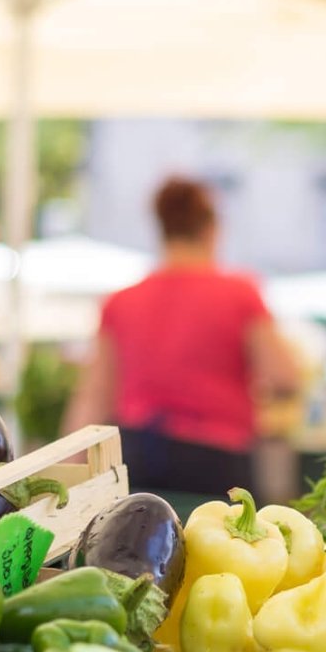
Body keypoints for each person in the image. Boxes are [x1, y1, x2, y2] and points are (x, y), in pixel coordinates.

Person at [65, 176, 299, 495]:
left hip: (138, 455)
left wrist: (70, 474)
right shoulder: (240, 294)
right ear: (211, 230)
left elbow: (93, 396)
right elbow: (285, 376)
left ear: (162, 230)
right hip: (217, 459)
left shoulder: (122, 301)